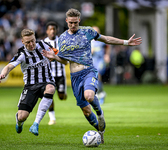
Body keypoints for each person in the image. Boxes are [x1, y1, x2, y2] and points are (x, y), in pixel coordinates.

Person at [42, 8, 142, 144]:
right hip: (75, 76)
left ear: (79, 21)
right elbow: (65, 60)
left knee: (89, 96)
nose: (73, 25)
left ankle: (100, 113)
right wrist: (54, 57)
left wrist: (125, 42)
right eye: (70, 23)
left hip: (88, 71)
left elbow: (106, 39)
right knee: (86, 111)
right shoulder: (63, 38)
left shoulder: (87, 31)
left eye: (75, 23)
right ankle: (100, 132)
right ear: (67, 21)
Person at [0, 28, 56, 136]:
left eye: (33, 40)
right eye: (28, 42)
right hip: (30, 86)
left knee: (51, 88)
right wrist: (3, 73)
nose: (31, 44)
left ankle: (36, 124)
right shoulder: (22, 54)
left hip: (47, 81)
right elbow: (9, 66)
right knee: (22, 116)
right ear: (22, 42)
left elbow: (56, 52)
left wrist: (54, 56)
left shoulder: (43, 44)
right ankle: (19, 123)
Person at [44, 21, 67, 125]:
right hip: (49, 75)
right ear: (47, 31)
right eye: (50, 29)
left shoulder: (61, 42)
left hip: (60, 74)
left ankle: (63, 94)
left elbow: (65, 58)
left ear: (56, 30)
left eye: (54, 29)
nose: (52, 31)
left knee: (61, 97)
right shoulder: (43, 43)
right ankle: (52, 118)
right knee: (49, 95)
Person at [91, 26, 110, 105]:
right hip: (92, 61)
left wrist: (107, 55)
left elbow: (107, 46)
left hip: (100, 61)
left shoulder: (101, 40)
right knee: (94, 78)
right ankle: (101, 93)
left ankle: (99, 93)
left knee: (97, 74)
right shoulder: (89, 41)